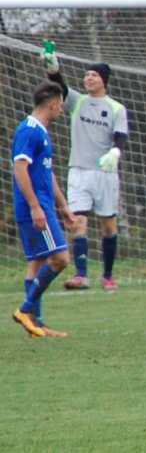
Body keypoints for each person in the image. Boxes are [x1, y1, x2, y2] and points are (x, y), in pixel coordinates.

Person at [41, 41, 128, 291]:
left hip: (105, 174)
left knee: (108, 225)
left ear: (104, 80)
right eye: (87, 74)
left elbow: (121, 135)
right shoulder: (77, 101)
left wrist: (115, 151)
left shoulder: (116, 108)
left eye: (94, 75)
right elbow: (59, 85)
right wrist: (52, 66)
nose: (88, 78)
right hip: (78, 171)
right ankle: (81, 275)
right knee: (77, 222)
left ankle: (108, 276)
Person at [11, 81, 75, 338]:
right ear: (52, 104)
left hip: (45, 205)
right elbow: (20, 170)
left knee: (36, 262)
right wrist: (36, 207)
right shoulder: (29, 131)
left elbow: (47, 175)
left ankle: (35, 324)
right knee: (60, 259)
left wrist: (64, 206)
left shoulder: (42, 131)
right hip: (35, 208)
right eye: (60, 105)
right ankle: (26, 309)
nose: (62, 109)